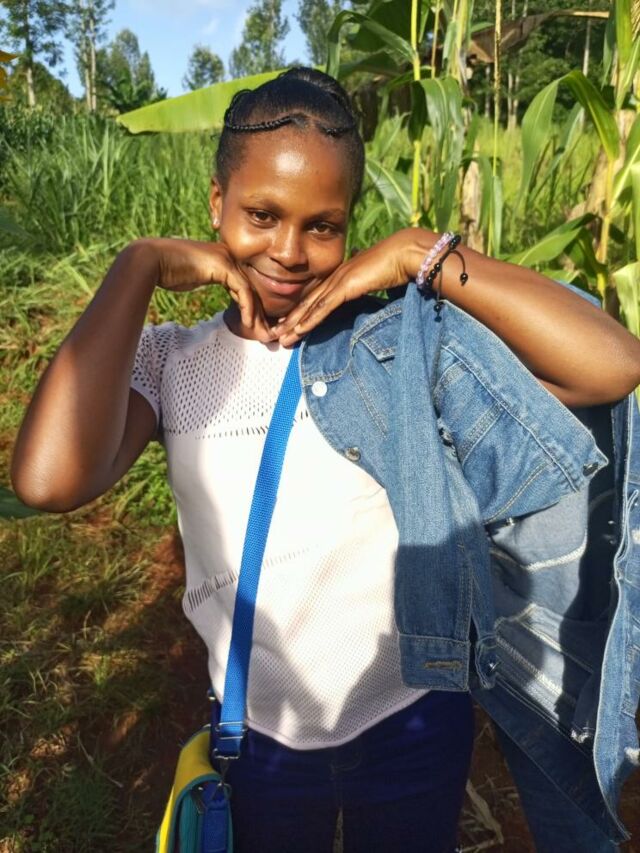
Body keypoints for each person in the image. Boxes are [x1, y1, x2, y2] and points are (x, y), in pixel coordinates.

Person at [10, 67, 640, 853]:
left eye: (323, 225)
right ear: (216, 204)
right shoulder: (171, 362)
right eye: (261, 215)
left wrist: (417, 252)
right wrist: (138, 266)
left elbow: (610, 364)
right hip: (259, 741)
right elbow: (47, 479)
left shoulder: (393, 346)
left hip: (414, 723)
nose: (288, 250)